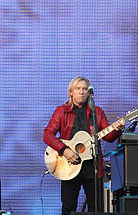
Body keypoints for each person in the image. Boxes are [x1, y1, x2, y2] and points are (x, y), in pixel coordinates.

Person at [43, 77, 124, 215]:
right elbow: (47, 134)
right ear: (71, 92)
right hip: (69, 166)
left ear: (88, 93)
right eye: (78, 88)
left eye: (84, 89)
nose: (81, 92)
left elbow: (108, 137)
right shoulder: (61, 111)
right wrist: (65, 150)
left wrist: (117, 129)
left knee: (96, 208)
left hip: (92, 168)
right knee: (69, 207)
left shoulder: (96, 112)